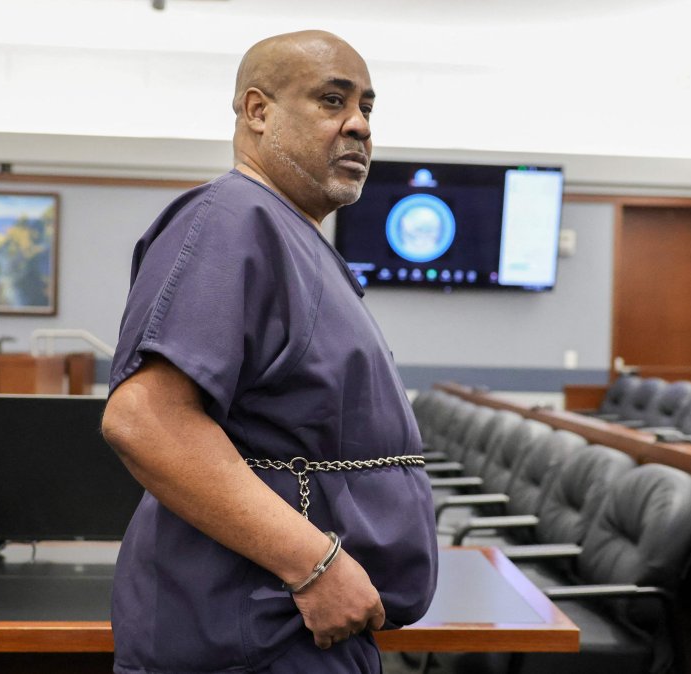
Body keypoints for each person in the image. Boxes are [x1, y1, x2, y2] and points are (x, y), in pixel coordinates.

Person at [101, 30, 438, 674]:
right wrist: (316, 566)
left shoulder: (295, 237)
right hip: (256, 629)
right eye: (332, 100)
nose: (359, 126)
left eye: (367, 107)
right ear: (258, 111)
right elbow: (147, 420)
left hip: (295, 628)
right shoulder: (232, 218)